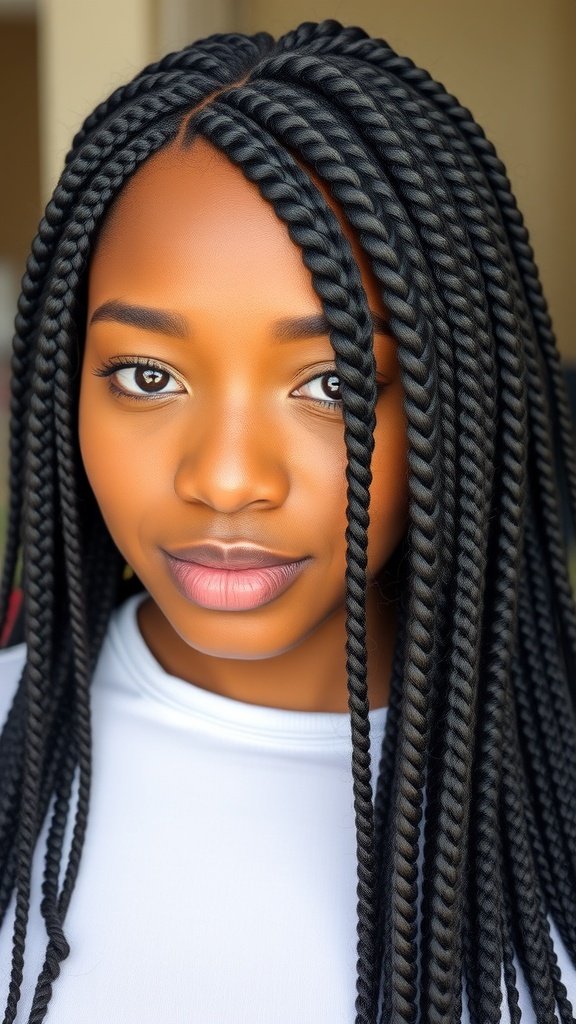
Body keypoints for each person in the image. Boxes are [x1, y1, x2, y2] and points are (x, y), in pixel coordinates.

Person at [0, 17, 574, 1024]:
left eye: (334, 383)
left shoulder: (548, 794)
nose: (226, 480)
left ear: (466, 404)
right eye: (147, 375)